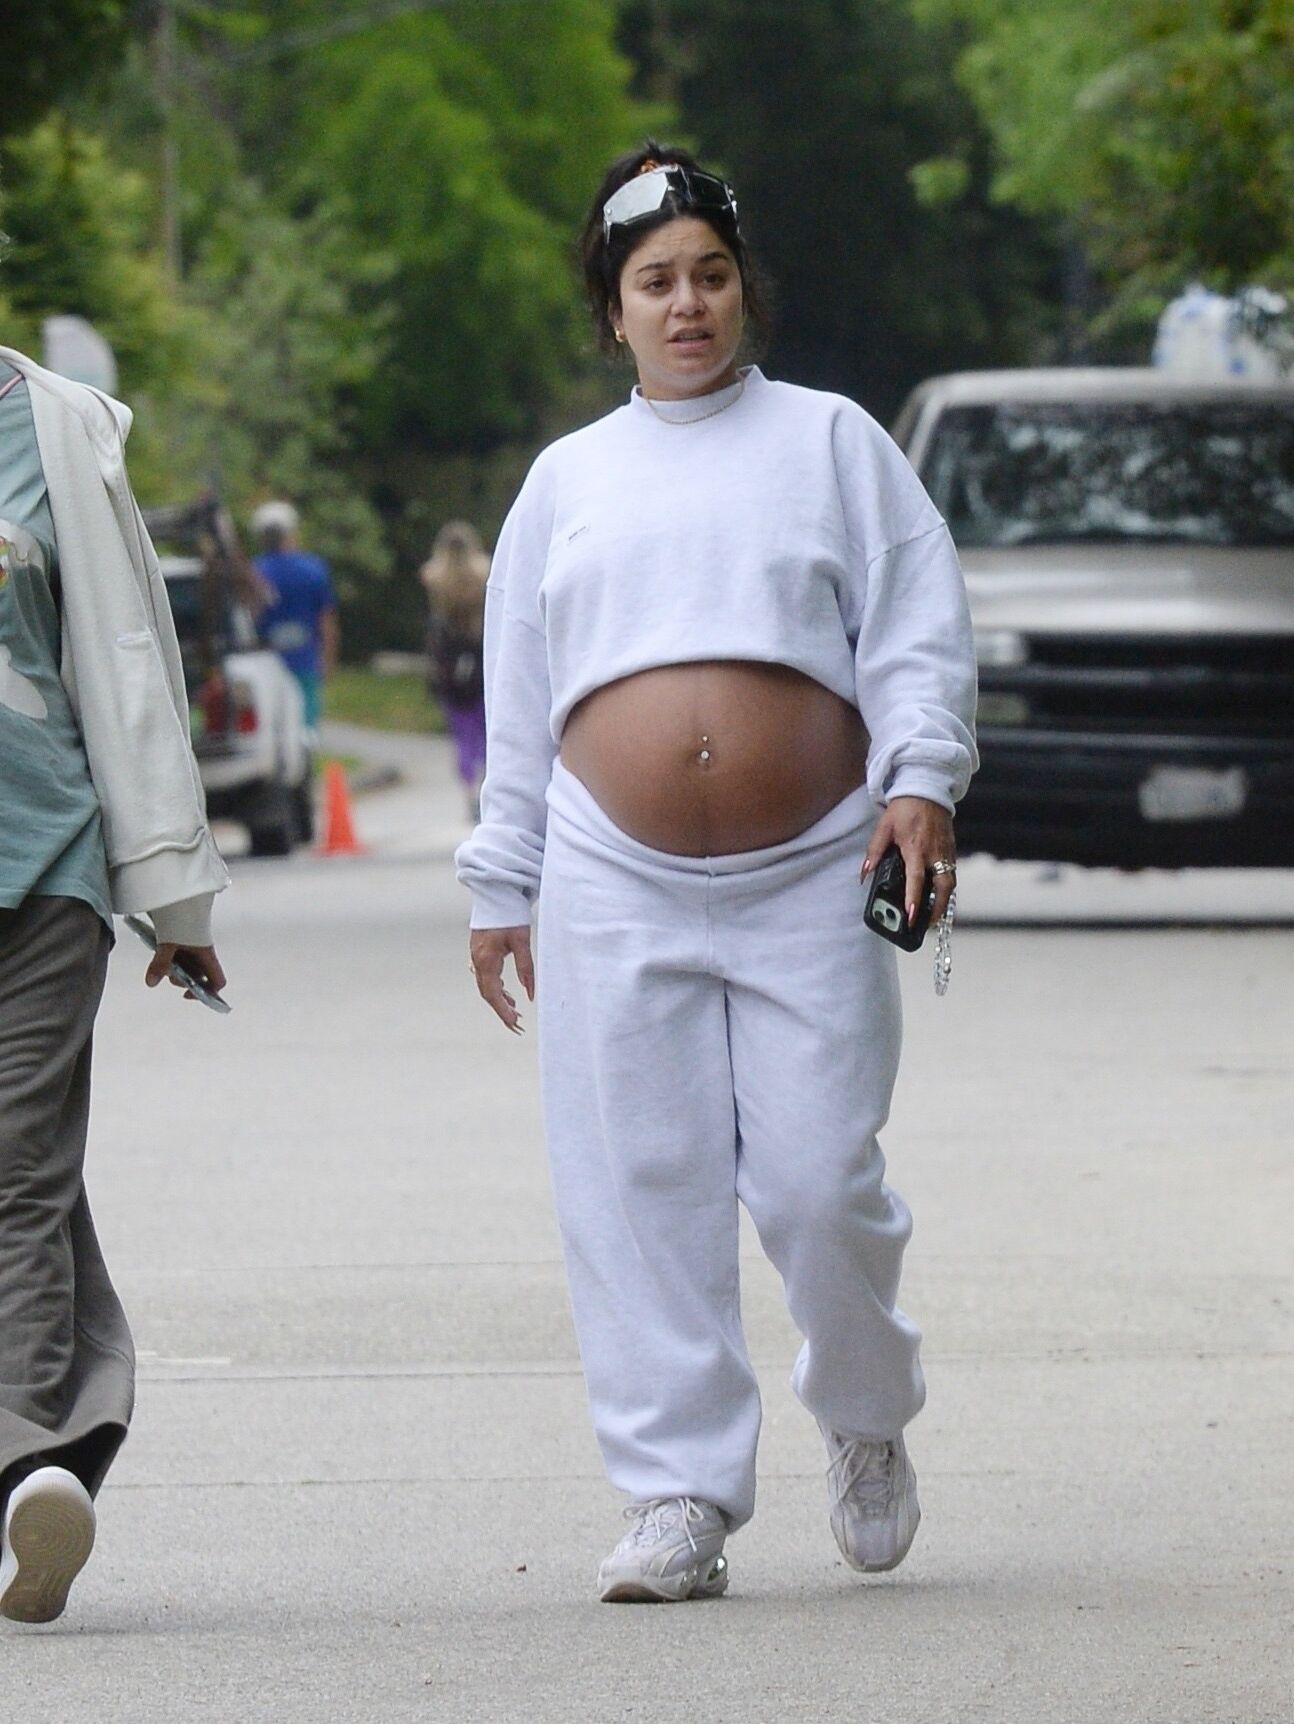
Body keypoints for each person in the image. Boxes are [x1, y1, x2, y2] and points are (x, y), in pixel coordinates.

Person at [457, 142, 977, 1604]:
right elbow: (523, 695)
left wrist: (920, 780)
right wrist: (505, 879)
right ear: (610, 311)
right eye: (652, 283)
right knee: (639, 1185)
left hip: (811, 871)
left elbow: (912, 627)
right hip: (611, 879)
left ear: (741, 287)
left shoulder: (829, 443)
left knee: (819, 1182)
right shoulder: (565, 481)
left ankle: (864, 1416)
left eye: (708, 275)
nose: (685, 305)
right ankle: (677, 1492)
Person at [0, 345, 230, 1624]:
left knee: (17, 1164)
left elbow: (129, 654)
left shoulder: (57, 427)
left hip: (41, 867)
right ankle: (59, 1435)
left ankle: (31, 1463)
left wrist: (170, 889)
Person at [420, 520, 491, 813]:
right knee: (486, 727)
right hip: (481, 653)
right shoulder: (484, 574)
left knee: (462, 732)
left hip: (449, 659)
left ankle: (468, 791)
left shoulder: (434, 577)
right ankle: (487, 784)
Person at [251, 499, 339, 729]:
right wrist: (328, 658)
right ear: (290, 532)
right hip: (305, 659)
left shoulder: (255, 572)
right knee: (306, 721)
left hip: (266, 663)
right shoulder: (313, 569)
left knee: (272, 722)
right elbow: (327, 620)